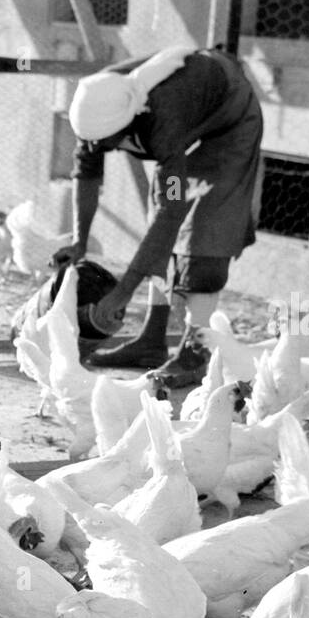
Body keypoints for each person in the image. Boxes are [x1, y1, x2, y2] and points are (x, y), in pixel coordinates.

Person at [53, 45, 263, 388]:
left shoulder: (164, 117)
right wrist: (79, 242)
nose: (94, 149)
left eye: (103, 143)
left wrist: (123, 292)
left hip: (231, 119)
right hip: (190, 122)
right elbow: (86, 173)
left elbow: (174, 207)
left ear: (128, 124)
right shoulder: (95, 105)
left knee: (208, 225)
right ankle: (151, 341)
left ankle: (195, 356)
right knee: (161, 219)